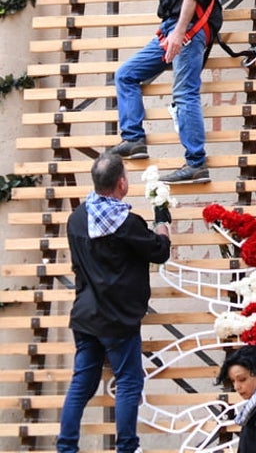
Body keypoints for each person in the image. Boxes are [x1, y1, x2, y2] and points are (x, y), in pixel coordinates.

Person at [69, 0, 224, 183]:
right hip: (171, 28)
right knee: (126, 74)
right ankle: (134, 139)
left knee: (184, 93)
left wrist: (179, 33)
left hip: (190, 27)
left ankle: (196, 163)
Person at [57, 152, 171, 453]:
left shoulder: (77, 218)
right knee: (129, 382)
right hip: (117, 319)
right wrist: (162, 219)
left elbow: (78, 268)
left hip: (85, 314)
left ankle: (66, 448)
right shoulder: (127, 222)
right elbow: (159, 251)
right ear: (122, 183)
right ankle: (127, 448)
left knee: (82, 384)